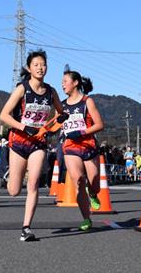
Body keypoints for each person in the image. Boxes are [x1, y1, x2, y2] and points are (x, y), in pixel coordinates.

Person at [0, 50, 63, 241]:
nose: (40, 68)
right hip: (19, 141)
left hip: (38, 143)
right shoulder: (22, 89)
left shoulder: (51, 92)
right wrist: (24, 127)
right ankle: (11, 173)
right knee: (14, 191)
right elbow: (3, 115)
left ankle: (26, 227)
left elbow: (60, 114)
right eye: (36, 64)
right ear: (29, 68)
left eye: (43, 64)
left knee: (34, 183)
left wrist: (53, 125)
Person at [60, 70, 104, 231]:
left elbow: (99, 124)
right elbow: (56, 124)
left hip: (88, 145)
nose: (62, 84)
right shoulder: (62, 105)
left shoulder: (87, 101)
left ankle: (93, 193)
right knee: (78, 180)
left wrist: (82, 132)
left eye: (65, 81)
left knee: (94, 183)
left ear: (75, 82)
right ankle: (86, 218)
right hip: (71, 147)